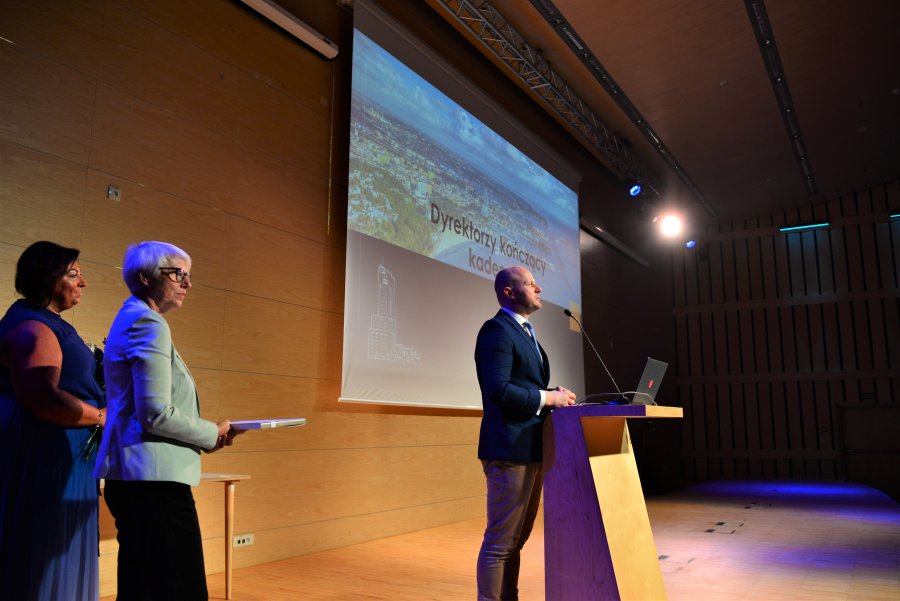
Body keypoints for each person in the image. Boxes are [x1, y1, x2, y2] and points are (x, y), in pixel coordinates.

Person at [94, 241, 240, 600]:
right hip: (153, 482)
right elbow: (156, 413)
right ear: (145, 277)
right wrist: (211, 432)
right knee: (176, 587)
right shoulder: (147, 322)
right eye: (179, 274)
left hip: (138, 479)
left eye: (189, 276)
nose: (187, 284)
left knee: (144, 583)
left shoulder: (133, 317)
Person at [0, 241, 106, 601]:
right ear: (48, 278)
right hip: (46, 451)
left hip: (63, 449)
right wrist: (100, 416)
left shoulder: (45, 322)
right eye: (74, 274)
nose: (83, 282)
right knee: (44, 547)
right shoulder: (33, 327)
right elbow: (41, 397)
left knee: (55, 544)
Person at [474, 265, 577, 601]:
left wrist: (551, 393)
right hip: (507, 449)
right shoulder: (496, 330)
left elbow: (523, 386)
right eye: (532, 284)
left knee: (516, 540)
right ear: (509, 291)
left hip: (529, 447)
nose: (540, 289)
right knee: (501, 542)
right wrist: (549, 398)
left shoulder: (524, 332)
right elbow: (499, 391)